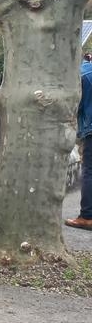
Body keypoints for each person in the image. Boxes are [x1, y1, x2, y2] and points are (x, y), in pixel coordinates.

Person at [66, 52, 92, 231]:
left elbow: (75, 106)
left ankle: (87, 216)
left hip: (90, 130)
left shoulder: (84, 73)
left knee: (89, 171)